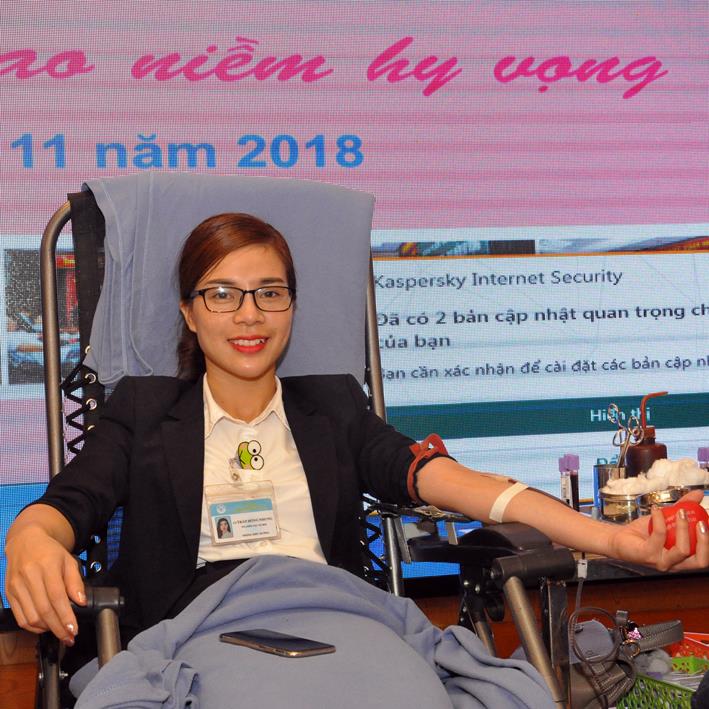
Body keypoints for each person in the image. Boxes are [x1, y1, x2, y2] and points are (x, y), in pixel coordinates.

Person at [5, 212, 708, 656]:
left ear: (291, 306)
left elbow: (462, 486)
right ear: (189, 312)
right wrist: (28, 538)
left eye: (270, 292)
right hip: (196, 640)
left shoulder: (332, 406)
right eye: (221, 294)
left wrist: (616, 542)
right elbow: (70, 502)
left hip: (338, 631)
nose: (248, 315)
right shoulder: (143, 409)